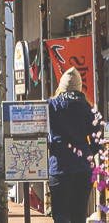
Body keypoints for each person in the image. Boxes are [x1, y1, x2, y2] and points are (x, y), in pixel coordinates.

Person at [48, 67, 97, 223]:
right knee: (79, 215)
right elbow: (97, 140)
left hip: (59, 166)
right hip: (83, 167)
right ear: (79, 87)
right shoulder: (88, 107)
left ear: (61, 87)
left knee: (61, 215)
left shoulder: (51, 105)